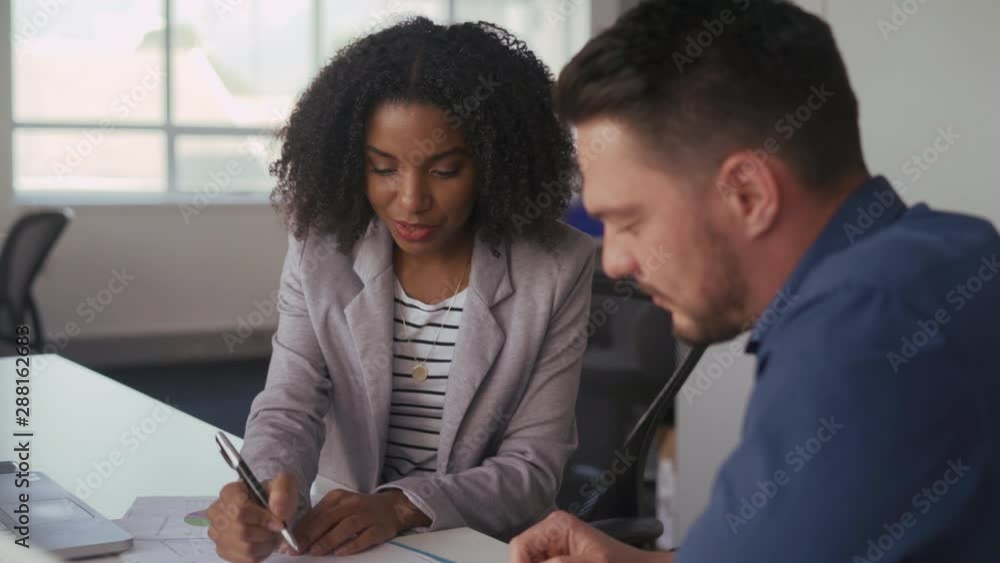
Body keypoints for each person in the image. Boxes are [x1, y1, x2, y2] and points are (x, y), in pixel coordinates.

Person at [510, 0, 1000, 562]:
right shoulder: (953, 252)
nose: (615, 260)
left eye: (629, 222)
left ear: (747, 193)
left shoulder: (862, 328)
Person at [205, 17, 597, 563]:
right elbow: (289, 404)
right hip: (345, 545)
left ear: (494, 163)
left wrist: (400, 506)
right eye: (382, 168)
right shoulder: (320, 251)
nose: (410, 200)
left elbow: (531, 469)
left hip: (484, 546)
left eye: (444, 170)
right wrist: (262, 489)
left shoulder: (556, 267)